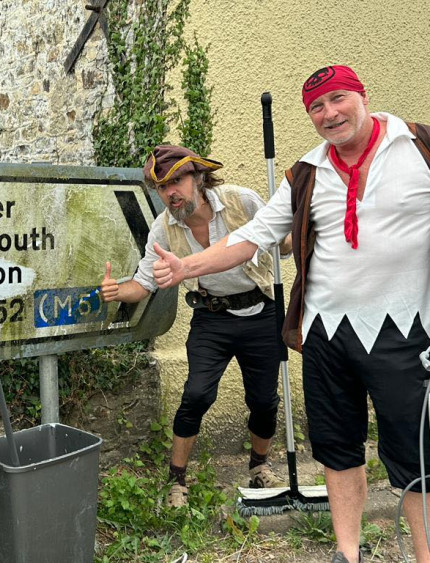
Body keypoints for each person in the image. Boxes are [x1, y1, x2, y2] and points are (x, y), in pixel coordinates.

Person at [152, 65, 430, 563]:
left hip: (406, 331)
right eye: (317, 108)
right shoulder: (306, 171)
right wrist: (186, 266)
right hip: (327, 335)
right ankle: (349, 554)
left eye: (338, 99)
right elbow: (250, 238)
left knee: (416, 459)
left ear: (362, 96)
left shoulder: (420, 148)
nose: (329, 114)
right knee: (338, 452)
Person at [100, 145, 290, 508]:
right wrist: (116, 291)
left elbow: (282, 246)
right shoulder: (162, 230)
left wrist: (292, 231)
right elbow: (144, 284)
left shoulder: (241, 201)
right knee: (197, 394)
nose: (171, 192)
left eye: (177, 181)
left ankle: (259, 467)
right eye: (161, 186)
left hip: (262, 312)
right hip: (212, 318)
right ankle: (177, 480)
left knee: (263, 400)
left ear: (198, 178)